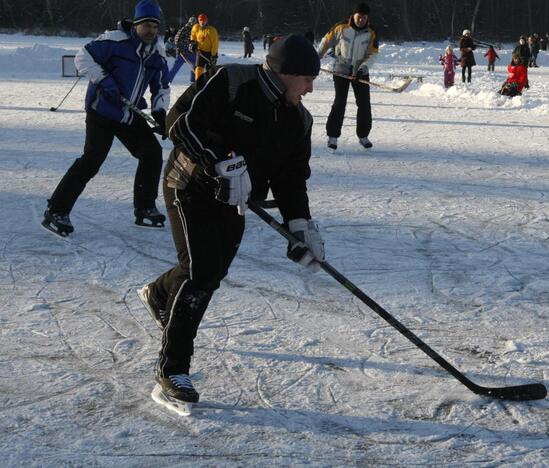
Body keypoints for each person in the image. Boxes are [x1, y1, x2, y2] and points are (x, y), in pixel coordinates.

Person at [138, 34, 322, 412]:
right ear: (287, 73)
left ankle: (160, 294)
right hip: (188, 185)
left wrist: (299, 225)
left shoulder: (299, 120)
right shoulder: (231, 80)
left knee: (211, 271)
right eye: (307, 79)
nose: (310, 89)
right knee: (200, 271)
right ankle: (171, 370)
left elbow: (291, 178)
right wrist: (218, 159)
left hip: (235, 201)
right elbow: (179, 123)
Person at [42, 0, 169, 237]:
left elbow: (161, 87)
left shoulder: (157, 53)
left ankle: (145, 208)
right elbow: (83, 57)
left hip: (128, 114)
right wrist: (104, 80)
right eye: (146, 25)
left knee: (151, 153)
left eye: (154, 26)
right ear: (136, 24)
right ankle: (56, 209)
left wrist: (160, 112)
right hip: (102, 111)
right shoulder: (115, 40)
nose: (151, 30)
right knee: (92, 159)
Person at [318, 2, 378, 151]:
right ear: (354, 15)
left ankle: (363, 136)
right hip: (341, 69)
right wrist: (315, 57)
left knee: (364, 104)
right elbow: (325, 42)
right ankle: (332, 136)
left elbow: (373, 53)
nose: (361, 20)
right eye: (359, 17)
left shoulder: (371, 32)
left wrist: (362, 68)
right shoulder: (341, 27)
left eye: (364, 18)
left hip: (361, 71)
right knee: (340, 102)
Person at [168, 16, 197, 82]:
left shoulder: (194, 31)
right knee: (176, 66)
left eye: (194, 24)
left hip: (189, 52)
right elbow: (176, 39)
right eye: (191, 23)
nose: (192, 25)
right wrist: (179, 48)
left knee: (195, 63)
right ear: (189, 23)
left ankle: (193, 79)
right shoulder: (184, 29)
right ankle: (168, 79)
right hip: (182, 52)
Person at [191, 13, 219, 80]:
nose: (202, 22)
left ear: (206, 21)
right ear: (198, 21)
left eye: (204, 20)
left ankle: (210, 85)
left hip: (210, 53)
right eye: (200, 20)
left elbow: (215, 44)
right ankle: (198, 84)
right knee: (198, 69)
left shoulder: (211, 30)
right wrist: (192, 43)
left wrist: (213, 55)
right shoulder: (196, 27)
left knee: (210, 71)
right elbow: (193, 35)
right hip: (200, 52)